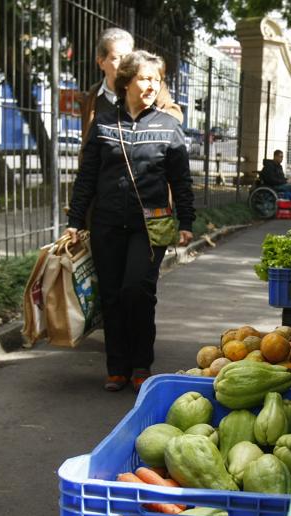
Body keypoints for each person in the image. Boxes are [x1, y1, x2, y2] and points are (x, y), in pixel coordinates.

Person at [66, 51, 195, 393]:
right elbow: (87, 177)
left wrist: (187, 220)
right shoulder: (105, 124)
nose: (152, 85)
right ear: (127, 82)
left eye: (157, 79)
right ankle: (116, 368)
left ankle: (141, 364)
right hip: (107, 223)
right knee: (111, 295)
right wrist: (75, 219)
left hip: (150, 226)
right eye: (145, 78)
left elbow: (181, 180)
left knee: (137, 290)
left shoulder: (169, 127)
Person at [80, 29, 182, 153]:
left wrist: (154, 118)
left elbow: (175, 115)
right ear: (101, 62)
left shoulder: (152, 88)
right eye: (117, 58)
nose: (124, 63)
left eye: (128, 57)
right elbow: (86, 142)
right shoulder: (93, 96)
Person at [259, 150, 291, 214]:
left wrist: (286, 180)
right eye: (280, 157)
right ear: (275, 156)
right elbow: (271, 179)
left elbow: (281, 177)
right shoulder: (269, 166)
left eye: (282, 157)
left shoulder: (279, 166)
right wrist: (284, 181)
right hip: (273, 186)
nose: (281, 159)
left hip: (280, 184)